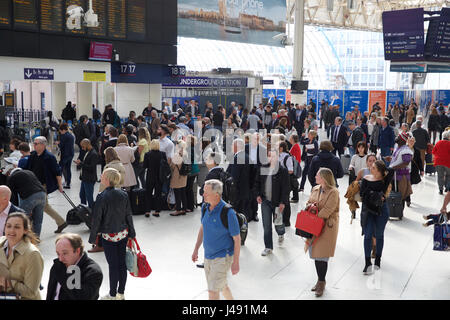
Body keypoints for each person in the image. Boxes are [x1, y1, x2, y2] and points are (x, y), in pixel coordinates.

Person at [89, 168, 136, 300]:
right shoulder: (124, 194)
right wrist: (132, 232)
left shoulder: (101, 196)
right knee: (122, 264)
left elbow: (97, 218)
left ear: (107, 179)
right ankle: (121, 293)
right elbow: (128, 215)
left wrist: (93, 238)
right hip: (122, 233)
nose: (101, 177)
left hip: (108, 236)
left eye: (103, 176)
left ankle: (112, 294)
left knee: (113, 265)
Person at [191, 179, 240, 300]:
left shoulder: (228, 213)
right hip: (208, 256)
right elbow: (202, 228)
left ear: (216, 195)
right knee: (221, 286)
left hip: (223, 257)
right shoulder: (205, 207)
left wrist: (236, 262)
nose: (203, 195)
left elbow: (237, 239)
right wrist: (196, 249)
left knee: (212, 291)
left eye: (206, 193)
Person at [304, 168, 340, 298]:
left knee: (322, 255)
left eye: (317, 175)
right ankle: (320, 279)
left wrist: (315, 218)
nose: (315, 176)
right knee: (315, 253)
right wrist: (309, 208)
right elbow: (309, 202)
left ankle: (321, 282)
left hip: (326, 227)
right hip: (314, 225)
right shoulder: (315, 189)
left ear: (324, 178)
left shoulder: (334, 192)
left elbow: (328, 209)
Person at [25, 136, 67, 234]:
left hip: (43, 186)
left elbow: (57, 172)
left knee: (41, 206)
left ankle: (32, 230)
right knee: (44, 206)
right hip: (33, 184)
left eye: (36, 143)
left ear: (43, 145)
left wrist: (60, 185)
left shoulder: (49, 157)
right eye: (33, 143)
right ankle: (61, 222)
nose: (34, 145)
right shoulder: (33, 155)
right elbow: (28, 168)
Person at [359, 160, 394, 274]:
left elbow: (391, 170)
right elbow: (362, 195)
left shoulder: (384, 180)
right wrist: (375, 195)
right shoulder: (366, 179)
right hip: (368, 211)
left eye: (374, 167)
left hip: (381, 210)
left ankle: (378, 259)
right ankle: (367, 263)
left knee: (379, 235)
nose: (370, 168)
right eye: (371, 166)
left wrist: (383, 169)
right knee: (367, 235)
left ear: (380, 171)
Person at [47, 233, 103, 300]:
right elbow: (50, 292)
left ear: (77, 251)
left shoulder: (93, 272)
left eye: (65, 253)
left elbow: (82, 297)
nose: (60, 259)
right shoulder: (58, 265)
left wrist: (63, 275)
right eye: (58, 254)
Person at [0, 212, 43, 300]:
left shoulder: (33, 255)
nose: (11, 230)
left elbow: (31, 292)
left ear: (25, 230)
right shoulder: (1, 243)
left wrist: (8, 283)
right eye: (8, 226)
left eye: (17, 227)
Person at [254, 150, 289, 256]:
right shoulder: (263, 168)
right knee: (266, 225)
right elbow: (257, 183)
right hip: (265, 201)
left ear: (278, 157)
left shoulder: (282, 170)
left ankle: (281, 233)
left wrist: (283, 202)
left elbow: (286, 188)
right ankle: (268, 247)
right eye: (269, 156)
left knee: (278, 223)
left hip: (278, 202)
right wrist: (258, 195)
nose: (271, 158)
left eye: (273, 156)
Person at [7, 169, 46, 237]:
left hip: (30, 196)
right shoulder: (29, 172)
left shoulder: (12, 177)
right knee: (38, 219)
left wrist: (15, 208)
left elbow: (12, 195)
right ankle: (36, 238)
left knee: (21, 218)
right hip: (42, 194)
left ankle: (23, 238)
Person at [226, 139, 252, 222]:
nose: (231, 147)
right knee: (244, 214)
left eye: (232, 145)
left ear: (236, 146)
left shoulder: (237, 158)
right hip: (246, 191)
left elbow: (234, 177)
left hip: (238, 192)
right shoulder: (247, 156)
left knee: (238, 216)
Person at [386, 132, 414, 207]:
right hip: (394, 174)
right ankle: (393, 210)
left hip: (402, 176)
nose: (396, 138)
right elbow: (398, 159)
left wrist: (393, 167)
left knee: (401, 194)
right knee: (393, 193)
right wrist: (390, 159)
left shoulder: (406, 150)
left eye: (398, 137)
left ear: (402, 140)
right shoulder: (398, 147)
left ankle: (399, 211)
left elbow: (406, 163)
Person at [143, 140, 164, 218]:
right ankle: (157, 211)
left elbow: (145, 166)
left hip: (150, 176)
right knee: (158, 194)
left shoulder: (147, 154)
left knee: (148, 193)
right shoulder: (162, 154)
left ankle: (147, 211)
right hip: (159, 176)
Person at [75, 139, 98, 209]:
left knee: (89, 197)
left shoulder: (93, 154)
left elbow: (92, 167)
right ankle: (84, 210)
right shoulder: (88, 152)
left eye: (83, 146)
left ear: (87, 145)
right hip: (84, 178)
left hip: (89, 179)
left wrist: (81, 163)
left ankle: (91, 212)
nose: (82, 148)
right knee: (82, 195)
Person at [169, 140, 188, 216]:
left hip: (177, 176)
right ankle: (184, 208)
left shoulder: (176, 155)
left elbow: (172, 166)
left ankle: (178, 210)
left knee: (177, 193)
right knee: (183, 192)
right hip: (184, 175)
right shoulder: (186, 154)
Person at [57, 123, 75, 189]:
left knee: (60, 168)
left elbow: (61, 145)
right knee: (68, 169)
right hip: (71, 153)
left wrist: (58, 144)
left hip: (65, 154)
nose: (61, 133)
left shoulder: (64, 136)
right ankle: (68, 183)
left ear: (63, 130)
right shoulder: (71, 135)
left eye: (61, 131)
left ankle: (59, 183)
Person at [432, 130, 450, 194]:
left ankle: (440, 189)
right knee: (448, 175)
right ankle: (447, 187)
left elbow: (433, 152)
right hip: (448, 162)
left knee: (440, 176)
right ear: (448, 137)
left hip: (438, 162)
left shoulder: (438, 143)